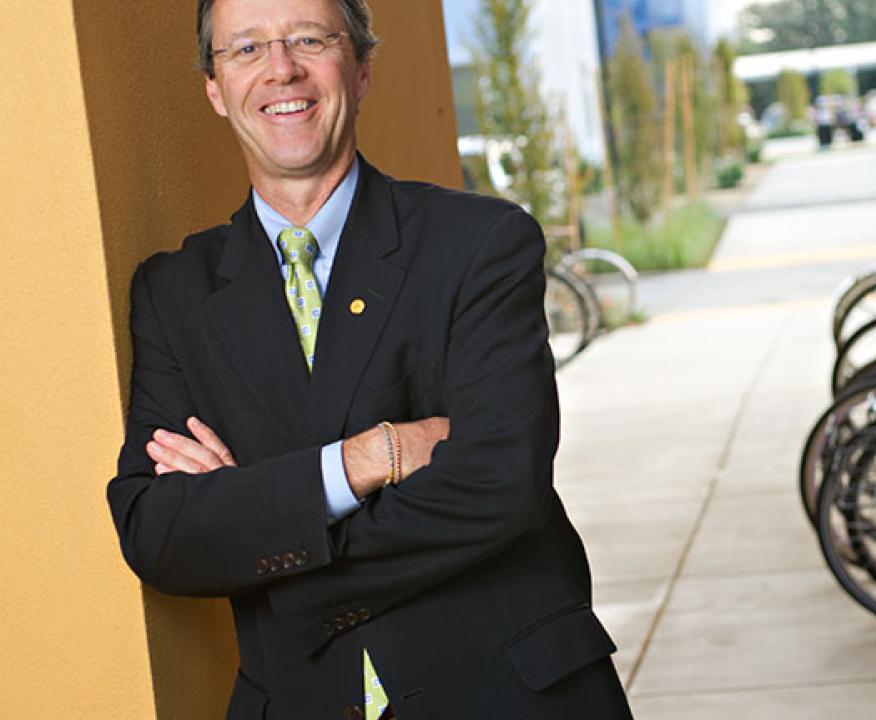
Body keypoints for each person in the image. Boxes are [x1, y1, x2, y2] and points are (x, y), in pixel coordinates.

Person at [105, 0, 633, 717]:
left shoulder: (480, 245)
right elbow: (158, 531)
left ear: (360, 68)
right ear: (214, 87)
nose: (281, 69)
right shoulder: (173, 294)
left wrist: (263, 530)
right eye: (247, 49)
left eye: (309, 39)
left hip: (505, 693)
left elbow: (500, 482)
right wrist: (365, 458)